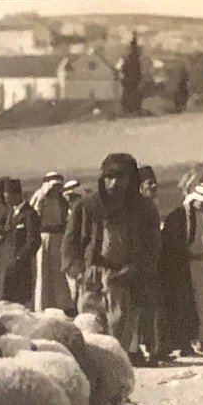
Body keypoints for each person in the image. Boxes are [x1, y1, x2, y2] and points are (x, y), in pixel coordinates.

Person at [62, 153, 157, 361]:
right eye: (109, 177)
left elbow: (152, 247)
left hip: (122, 277)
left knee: (118, 327)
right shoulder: (87, 205)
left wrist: (136, 268)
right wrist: (75, 269)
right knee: (88, 326)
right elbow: (71, 240)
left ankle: (115, 372)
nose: (113, 183)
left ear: (132, 180)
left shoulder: (144, 208)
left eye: (120, 178)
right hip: (90, 274)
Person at [159, 182, 203, 359]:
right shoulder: (179, 216)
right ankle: (184, 344)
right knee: (184, 306)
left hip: (202, 265)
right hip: (182, 268)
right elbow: (171, 244)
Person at [0, 178, 41, 306]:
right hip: (3, 264)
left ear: (17, 195)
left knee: (17, 302)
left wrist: (19, 258)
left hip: (18, 268)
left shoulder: (29, 215)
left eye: (9, 197)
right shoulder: (9, 212)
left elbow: (34, 241)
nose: (7, 201)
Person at [30, 172, 72, 313]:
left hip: (58, 237)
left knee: (59, 271)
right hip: (44, 236)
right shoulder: (40, 198)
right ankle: (42, 305)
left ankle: (62, 305)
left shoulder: (61, 200)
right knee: (43, 270)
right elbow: (34, 216)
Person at [135, 166, 164, 366]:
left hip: (151, 266)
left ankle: (154, 350)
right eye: (149, 182)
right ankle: (139, 350)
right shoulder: (138, 208)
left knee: (150, 309)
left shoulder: (150, 206)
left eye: (155, 182)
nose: (153, 186)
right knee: (140, 310)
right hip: (139, 266)